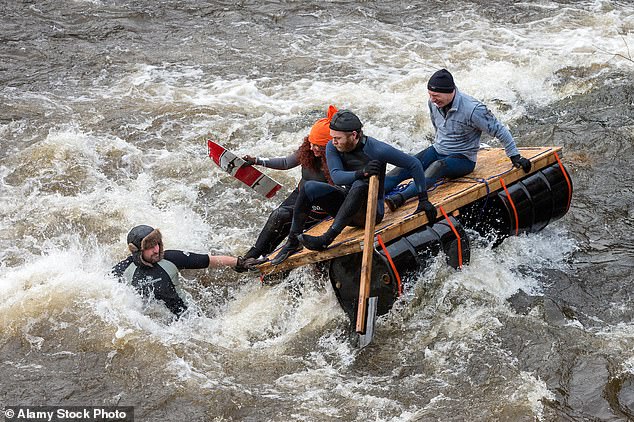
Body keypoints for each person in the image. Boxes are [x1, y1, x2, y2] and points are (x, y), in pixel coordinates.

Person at [271, 109, 437, 265]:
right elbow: (336, 176)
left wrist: (423, 200)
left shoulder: (376, 149)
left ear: (354, 135)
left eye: (338, 138)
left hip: (370, 213)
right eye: (332, 137)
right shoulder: (332, 146)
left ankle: (327, 238)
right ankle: (292, 241)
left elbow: (414, 164)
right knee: (308, 187)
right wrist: (362, 172)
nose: (333, 141)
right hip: (347, 206)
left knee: (360, 185)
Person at [383, 68, 532, 211]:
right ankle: (372, 193)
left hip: (463, 159)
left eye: (436, 96)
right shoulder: (433, 103)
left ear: (450, 92)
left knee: (437, 166)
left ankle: (400, 198)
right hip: (438, 150)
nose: (432, 99)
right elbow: (438, 126)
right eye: (430, 95)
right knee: (408, 164)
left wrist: (515, 156)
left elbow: (499, 130)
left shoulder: (474, 109)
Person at [236, 105, 337, 269]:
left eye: (318, 146)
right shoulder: (308, 149)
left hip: (321, 206)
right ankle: (254, 255)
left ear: (330, 147)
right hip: (300, 195)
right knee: (278, 216)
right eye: (311, 143)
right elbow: (285, 163)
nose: (313, 148)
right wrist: (257, 161)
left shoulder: (338, 159)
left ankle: (275, 256)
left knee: (288, 221)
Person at [112, 224, 242, 317]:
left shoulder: (171, 258)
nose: (156, 250)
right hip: (154, 329)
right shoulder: (124, 270)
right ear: (137, 251)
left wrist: (240, 262)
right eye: (150, 247)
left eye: (157, 244)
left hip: (190, 321)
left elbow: (209, 260)